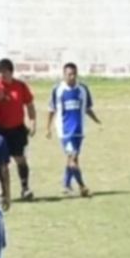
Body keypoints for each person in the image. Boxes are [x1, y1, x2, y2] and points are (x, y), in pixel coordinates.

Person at [47, 62, 101, 198]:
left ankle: (66, 184)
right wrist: (48, 127)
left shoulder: (83, 89)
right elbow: (51, 110)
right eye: (69, 74)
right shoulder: (58, 90)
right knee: (73, 159)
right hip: (65, 131)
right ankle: (82, 186)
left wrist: (96, 120)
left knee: (73, 157)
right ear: (64, 75)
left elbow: (87, 108)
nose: (71, 77)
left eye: (74, 74)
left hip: (79, 130)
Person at [0, 59, 37, 200]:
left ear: (11, 71)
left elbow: (29, 105)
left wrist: (33, 122)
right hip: (0, 130)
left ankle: (25, 188)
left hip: (17, 129)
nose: (1, 74)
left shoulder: (20, 86)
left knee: (20, 159)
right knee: (1, 163)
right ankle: (4, 191)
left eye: (4, 71)